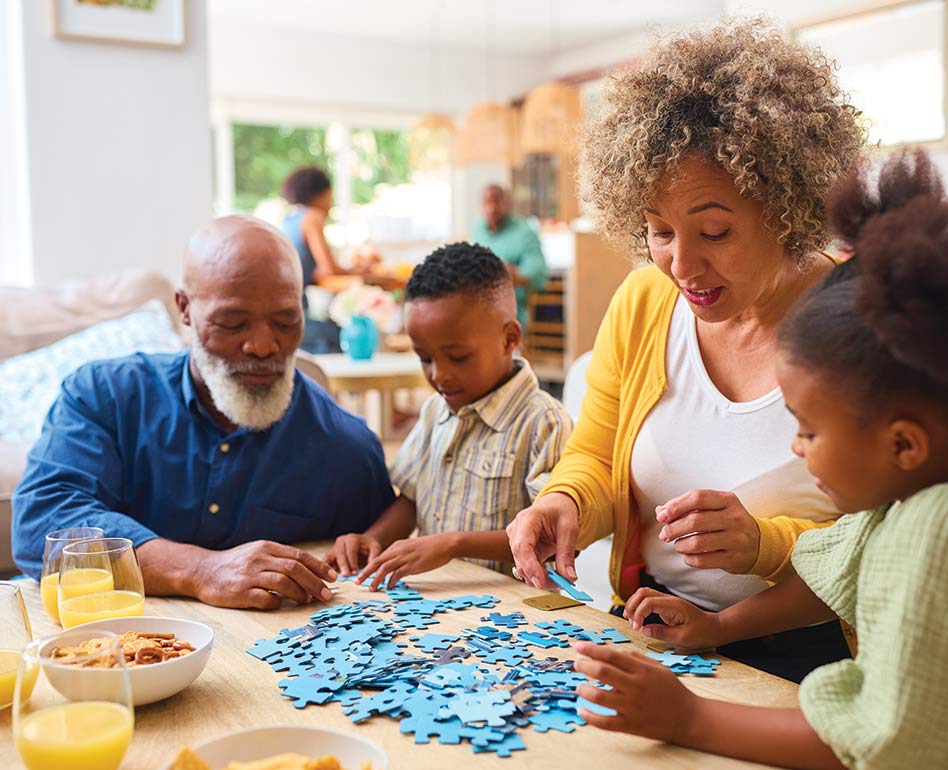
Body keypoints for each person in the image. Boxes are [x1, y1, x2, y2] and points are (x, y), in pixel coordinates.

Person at [505, 19, 866, 682]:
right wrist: (565, 503)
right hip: (649, 628)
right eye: (658, 231)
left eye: (714, 230)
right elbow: (597, 455)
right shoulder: (644, 303)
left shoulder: (862, 320)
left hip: (810, 660)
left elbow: (885, 545)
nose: (681, 263)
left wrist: (762, 546)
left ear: (789, 206)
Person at [575, 149, 948, 769]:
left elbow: (877, 744)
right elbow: (830, 580)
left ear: (904, 443)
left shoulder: (929, 540)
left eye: (807, 432)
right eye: (660, 232)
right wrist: (718, 628)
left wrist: (689, 716)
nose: (796, 448)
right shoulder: (899, 509)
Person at [12, 216, 395, 609]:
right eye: (233, 322)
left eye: (285, 321)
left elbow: (384, 554)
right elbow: (41, 525)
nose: (263, 346)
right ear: (184, 308)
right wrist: (198, 569)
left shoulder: (345, 447)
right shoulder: (103, 396)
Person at [324, 243, 571, 586]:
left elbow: (553, 537)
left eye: (458, 356)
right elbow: (411, 498)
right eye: (424, 357)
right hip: (440, 606)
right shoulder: (434, 411)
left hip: (515, 615)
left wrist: (454, 544)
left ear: (509, 339)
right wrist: (373, 538)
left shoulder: (544, 422)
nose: (438, 375)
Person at [281, 166, 369, 353]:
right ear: (322, 194)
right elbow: (329, 268)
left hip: (283, 313)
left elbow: (311, 269)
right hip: (292, 318)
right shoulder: (312, 217)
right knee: (343, 334)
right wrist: (360, 269)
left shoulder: (290, 219)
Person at [470, 185, 548, 330]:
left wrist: (505, 273)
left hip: (511, 309)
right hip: (477, 304)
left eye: (497, 202)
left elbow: (538, 274)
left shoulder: (525, 232)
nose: (491, 208)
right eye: (487, 203)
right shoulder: (477, 229)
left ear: (508, 204)